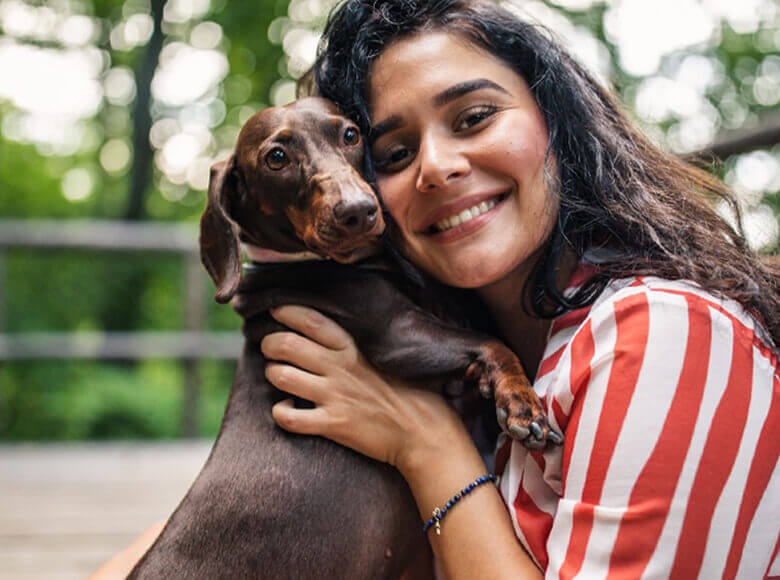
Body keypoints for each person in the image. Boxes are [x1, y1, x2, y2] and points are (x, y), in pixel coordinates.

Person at [95, 1, 778, 577]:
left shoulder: (667, 340)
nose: (439, 167)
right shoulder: (514, 348)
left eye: (475, 116)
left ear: (557, 123)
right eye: (393, 154)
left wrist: (423, 443)